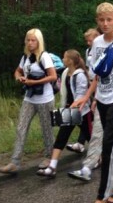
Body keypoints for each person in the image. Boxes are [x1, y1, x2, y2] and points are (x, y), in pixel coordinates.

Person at [72, 2, 113, 203]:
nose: (105, 23)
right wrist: (86, 97)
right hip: (103, 99)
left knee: (108, 145)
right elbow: (98, 75)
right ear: (97, 21)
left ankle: (102, 195)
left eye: (109, 19)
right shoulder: (97, 43)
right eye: (101, 20)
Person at [0, 28, 56, 174]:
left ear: (39, 42)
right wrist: (19, 77)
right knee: (21, 127)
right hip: (29, 98)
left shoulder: (44, 57)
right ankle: (14, 162)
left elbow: (53, 76)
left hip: (45, 99)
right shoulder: (25, 57)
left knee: (47, 129)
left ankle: (49, 157)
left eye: (33, 40)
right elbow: (18, 71)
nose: (30, 43)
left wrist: (35, 82)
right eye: (28, 40)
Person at [36, 50, 92, 178]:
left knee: (91, 137)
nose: (62, 59)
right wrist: (64, 108)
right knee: (62, 137)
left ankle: (99, 158)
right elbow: (64, 93)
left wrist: (72, 107)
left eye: (65, 57)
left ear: (71, 61)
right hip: (70, 110)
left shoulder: (80, 75)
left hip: (82, 112)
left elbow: (81, 95)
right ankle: (52, 167)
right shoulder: (66, 73)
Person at [66, 28, 101, 154]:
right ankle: (82, 143)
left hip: (99, 83)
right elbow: (88, 67)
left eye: (90, 40)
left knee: (91, 114)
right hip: (91, 82)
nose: (88, 43)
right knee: (87, 113)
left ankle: (92, 145)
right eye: (87, 41)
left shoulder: (101, 50)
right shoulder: (88, 51)